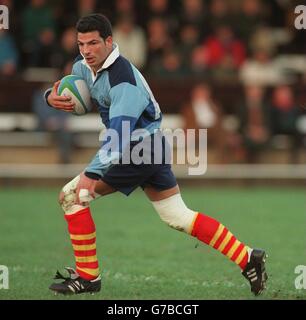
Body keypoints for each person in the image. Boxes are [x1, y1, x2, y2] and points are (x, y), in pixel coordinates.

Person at [44, 13, 268, 296]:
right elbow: (65, 85)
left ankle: (88, 277)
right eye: (81, 44)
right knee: (177, 216)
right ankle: (248, 257)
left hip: (138, 150)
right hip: (151, 147)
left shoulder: (123, 79)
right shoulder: (84, 66)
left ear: (110, 42)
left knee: (70, 196)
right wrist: (48, 97)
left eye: (93, 43)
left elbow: (119, 135)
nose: (86, 51)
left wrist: (92, 173)